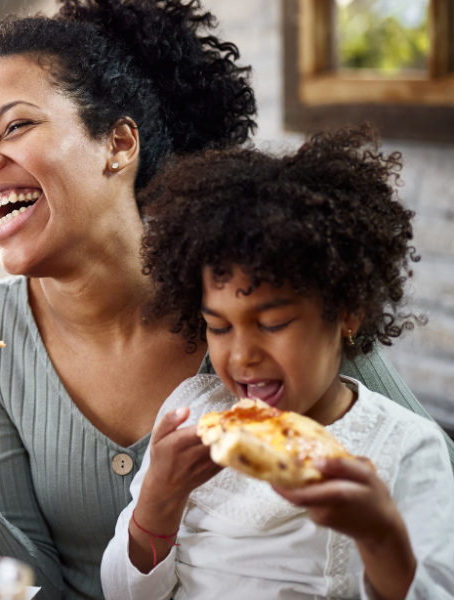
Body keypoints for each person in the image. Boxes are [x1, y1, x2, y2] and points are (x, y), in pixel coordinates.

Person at [0, 1, 454, 599]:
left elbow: (430, 497)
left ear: (119, 143)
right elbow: (13, 591)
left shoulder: (259, 298)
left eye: (15, 126)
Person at [100, 127, 453, 599]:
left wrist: (381, 537)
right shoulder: (190, 414)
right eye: (220, 328)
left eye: (273, 323)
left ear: (347, 310)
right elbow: (124, 594)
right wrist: (156, 503)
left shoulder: (405, 449)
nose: (242, 356)